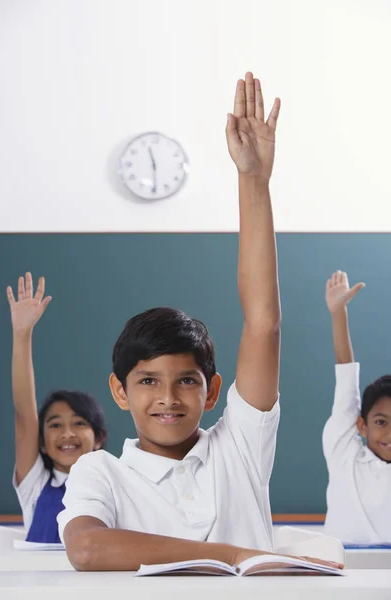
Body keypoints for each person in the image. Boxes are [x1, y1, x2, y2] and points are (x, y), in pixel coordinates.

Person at [58, 72, 340, 571]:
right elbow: (87, 549)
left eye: (186, 381)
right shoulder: (98, 472)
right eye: (147, 381)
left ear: (211, 392)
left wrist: (253, 180)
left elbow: (263, 324)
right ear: (120, 391)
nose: (167, 397)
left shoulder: (239, 448)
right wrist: (233, 555)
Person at [7, 273, 107, 543]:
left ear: (98, 438)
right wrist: (22, 334)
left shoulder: (112, 484)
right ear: (41, 442)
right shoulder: (36, 485)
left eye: (79, 423)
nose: (67, 434)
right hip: (38, 586)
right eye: (54, 425)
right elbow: (24, 413)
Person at [323, 270, 391, 543]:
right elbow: (346, 379)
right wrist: (339, 313)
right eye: (381, 422)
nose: (389, 433)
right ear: (362, 425)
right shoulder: (345, 456)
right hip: (342, 575)